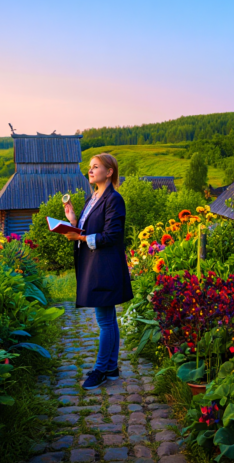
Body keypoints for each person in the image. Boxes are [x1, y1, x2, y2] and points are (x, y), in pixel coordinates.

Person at [62, 153, 133, 389]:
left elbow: (112, 236)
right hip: (95, 264)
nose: (90, 171)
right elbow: (88, 227)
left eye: (95, 167)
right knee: (108, 319)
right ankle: (111, 367)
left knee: (104, 320)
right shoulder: (92, 198)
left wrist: (80, 235)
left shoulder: (114, 199)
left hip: (105, 266)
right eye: (89, 167)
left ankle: (100, 369)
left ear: (109, 171)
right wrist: (72, 221)